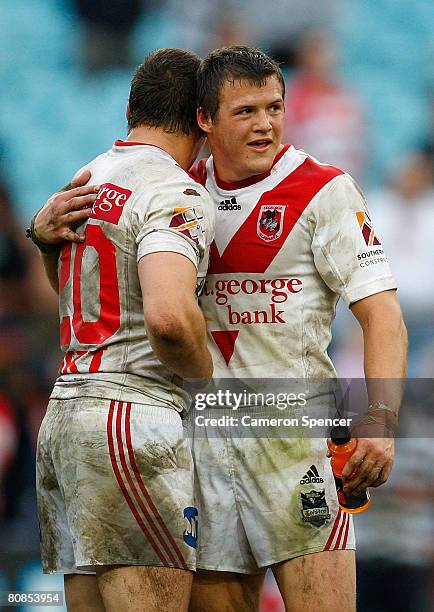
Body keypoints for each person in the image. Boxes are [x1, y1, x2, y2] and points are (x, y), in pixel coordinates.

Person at [32, 46, 407, 612]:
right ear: (205, 119)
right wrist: (46, 235)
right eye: (246, 111)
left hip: (291, 446)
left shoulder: (324, 190)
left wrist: (379, 419)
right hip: (200, 447)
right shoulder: (179, 190)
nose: (266, 124)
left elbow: (382, 315)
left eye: (274, 107)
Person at [28, 48, 214, 612]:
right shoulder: (176, 192)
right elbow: (168, 316)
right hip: (130, 417)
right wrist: (207, 376)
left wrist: (41, 240)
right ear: (203, 119)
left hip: (64, 414)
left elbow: (59, 298)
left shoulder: (85, 179)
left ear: (130, 108)